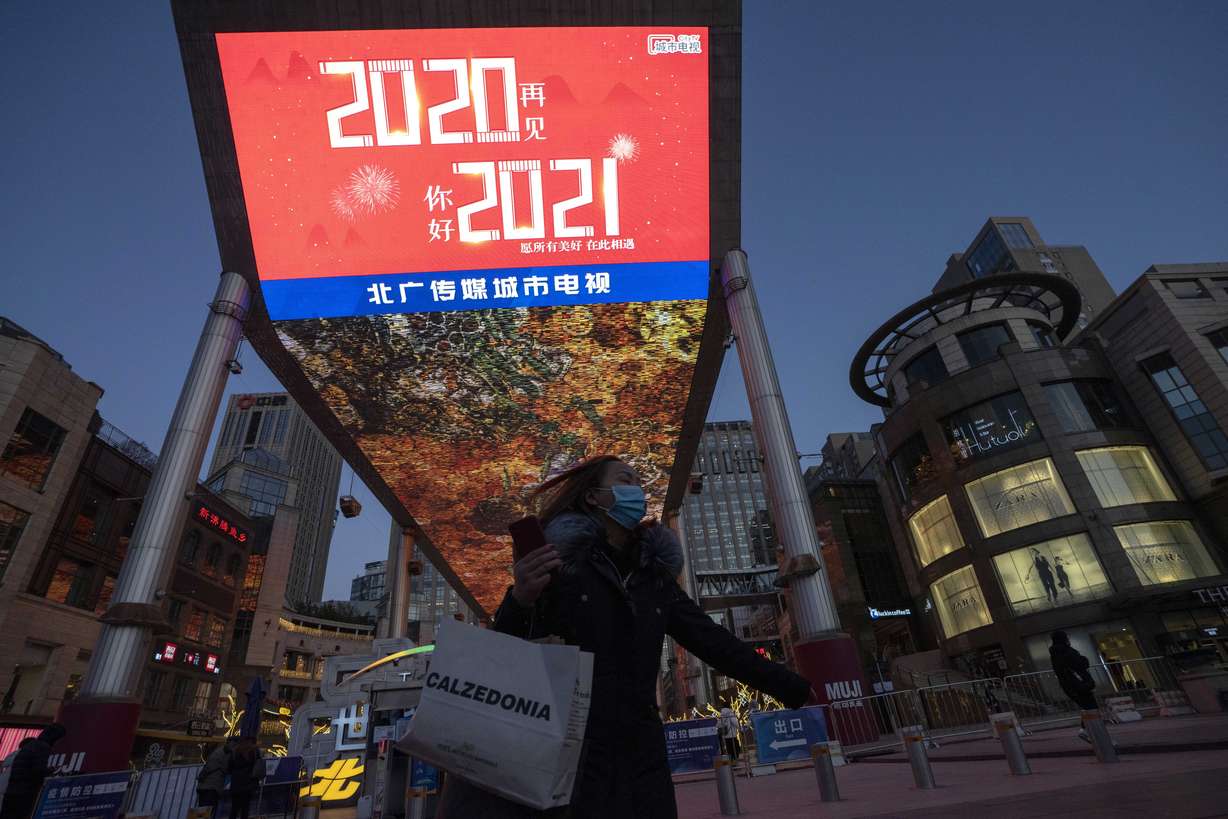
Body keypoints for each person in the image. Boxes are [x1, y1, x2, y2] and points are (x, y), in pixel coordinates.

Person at [437, 456, 813, 819]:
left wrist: (789, 685)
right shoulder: (559, 566)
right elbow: (506, 650)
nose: (638, 490)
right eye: (625, 480)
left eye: (638, 482)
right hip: (573, 749)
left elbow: (713, 641)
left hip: (642, 749)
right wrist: (519, 599)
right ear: (593, 497)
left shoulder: (653, 579)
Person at [0, 724, 66, 819]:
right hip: (24, 794)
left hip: (11, 791)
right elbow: (38, 771)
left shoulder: (29, 746)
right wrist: (52, 771)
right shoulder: (42, 747)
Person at [1049, 631, 1097, 743]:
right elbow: (1082, 663)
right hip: (1079, 684)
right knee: (1091, 707)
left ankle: (1088, 730)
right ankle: (1089, 731)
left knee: (1088, 707)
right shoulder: (1067, 651)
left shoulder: (1055, 653)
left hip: (1070, 686)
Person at [225, 737, 264, 819]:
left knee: (234, 808)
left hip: (236, 783)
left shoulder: (235, 751)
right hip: (249, 782)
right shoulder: (254, 752)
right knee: (245, 808)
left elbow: (229, 768)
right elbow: (258, 765)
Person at [196, 738, 234, 813]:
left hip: (204, 786)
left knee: (202, 811)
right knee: (208, 810)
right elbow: (226, 768)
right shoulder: (225, 754)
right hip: (212, 787)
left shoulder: (217, 752)